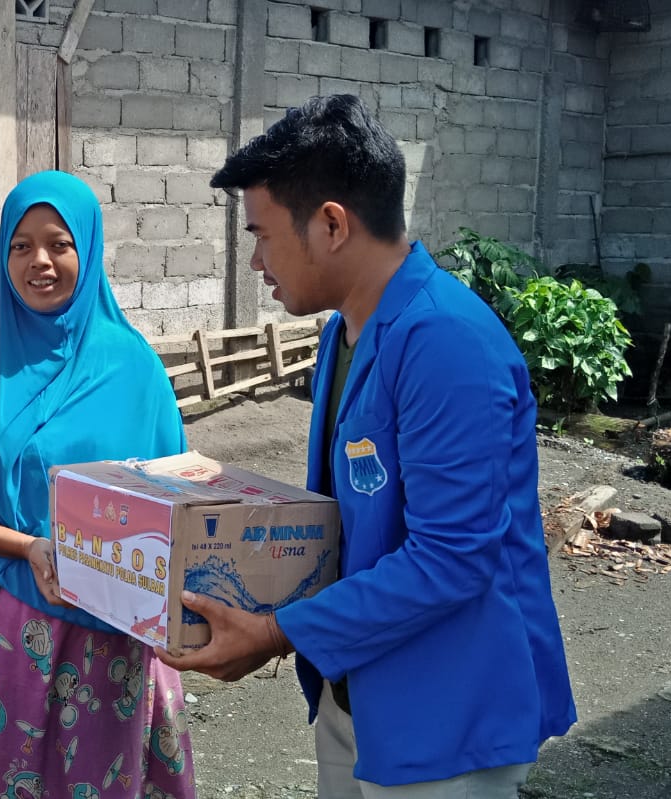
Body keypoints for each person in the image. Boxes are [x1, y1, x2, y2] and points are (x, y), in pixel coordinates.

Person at [157, 94, 576, 798]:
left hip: (446, 716)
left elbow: (451, 558)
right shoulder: (345, 331)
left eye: (261, 234)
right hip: (359, 690)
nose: (255, 259)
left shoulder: (444, 341)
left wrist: (273, 630)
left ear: (329, 224)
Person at [0, 170, 196, 797]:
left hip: (113, 640)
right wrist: (27, 546)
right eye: (20, 245)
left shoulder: (133, 368)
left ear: (86, 249)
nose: (39, 261)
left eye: (58, 244)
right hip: (5, 631)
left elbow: (180, 501)